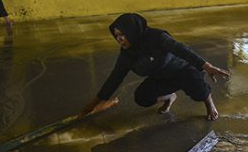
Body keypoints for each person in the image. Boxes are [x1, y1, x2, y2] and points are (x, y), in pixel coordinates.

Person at [82, 13, 229, 120]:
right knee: (141, 97)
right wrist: (94, 104)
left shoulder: (156, 37)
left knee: (198, 90)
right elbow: (114, 79)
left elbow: (181, 49)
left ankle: (209, 104)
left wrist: (207, 66)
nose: (119, 39)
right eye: (116, 36)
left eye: (122, 34)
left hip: (184, 70)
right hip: (162, 78)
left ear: (132, 31)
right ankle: (170, 97)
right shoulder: (127, 55)